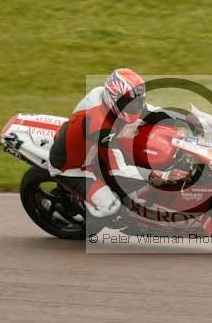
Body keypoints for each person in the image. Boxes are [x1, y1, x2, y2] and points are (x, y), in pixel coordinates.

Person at [48, 68, 191, 223]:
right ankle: (72, 213)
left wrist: (187, 119)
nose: (136, 107)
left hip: (91, 148)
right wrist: (163, 176)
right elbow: (118, 170)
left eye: (138, 102)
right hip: (72, 167)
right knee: (110, 207)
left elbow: (150, 111)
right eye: (130, 104)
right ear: (113, 99)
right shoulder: (100, 125)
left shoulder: (113, 102)